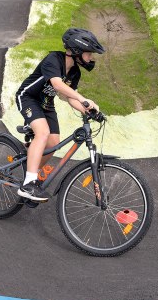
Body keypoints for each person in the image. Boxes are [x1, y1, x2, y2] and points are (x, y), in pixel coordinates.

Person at [15, 28, 105, 201]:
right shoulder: (53, 59)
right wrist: (83, 98)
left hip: (46, 104)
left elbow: (69, 97)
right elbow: (57, 85)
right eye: (90, 53)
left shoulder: (74, 72)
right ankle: (28, 183)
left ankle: (30, 172)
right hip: (28, 98)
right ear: (77, 51)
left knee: (53, 143)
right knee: (43, 133)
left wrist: (89, 110)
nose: (91, 58)